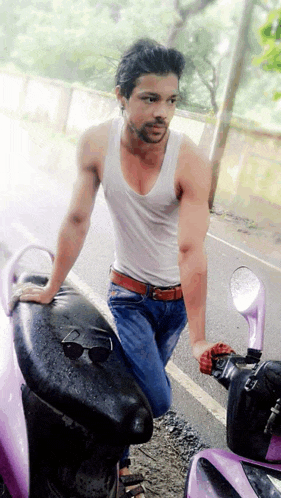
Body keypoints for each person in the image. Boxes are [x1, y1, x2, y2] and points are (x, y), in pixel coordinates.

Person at [19, 39, 233, 497]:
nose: (162, 112)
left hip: (174, 307)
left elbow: (192, 250)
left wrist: (197, 335)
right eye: (150, 98)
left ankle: (112, 466)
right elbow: (78, 220)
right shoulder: (97, 144)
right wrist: (52, 286)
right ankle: (104, 462)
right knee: (155, 399)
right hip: (129, 296)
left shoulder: (189, 159)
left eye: (171, 100)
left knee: (134, 395)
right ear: (122, 95)